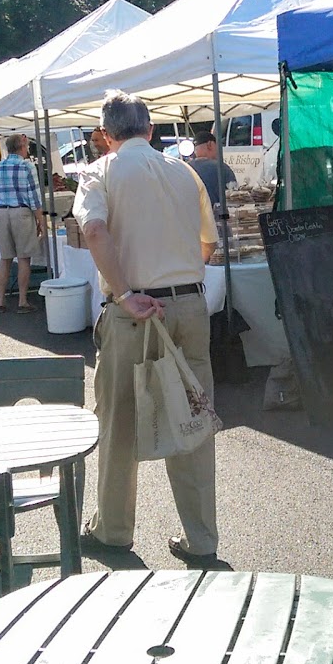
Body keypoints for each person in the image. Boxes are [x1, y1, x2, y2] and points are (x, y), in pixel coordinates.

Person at [75, 90, 221, 566]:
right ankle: (201, 537)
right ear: (150, 130)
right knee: (192, 418)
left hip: (134, 309)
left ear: (105, 134)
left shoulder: (101, 171)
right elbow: (207, 245)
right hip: (189, 305)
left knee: (119, 420)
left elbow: (94, 231)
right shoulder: (185, 171)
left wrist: (124, 292)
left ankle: (114, 529)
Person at [0, 133, 44, 313]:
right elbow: (34, 196)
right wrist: (41, 220)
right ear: (22, 146)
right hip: (21, 212)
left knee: (4, 258)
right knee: (23, 258)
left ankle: (0, 300)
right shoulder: (26, 166)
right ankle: (22, 300)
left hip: (2, 213)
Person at [186, 130, 235, 216]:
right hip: (217, 223)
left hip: (192, 222)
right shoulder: (222, 168)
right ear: (210, 145)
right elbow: (235, 198)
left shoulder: (185, 168)